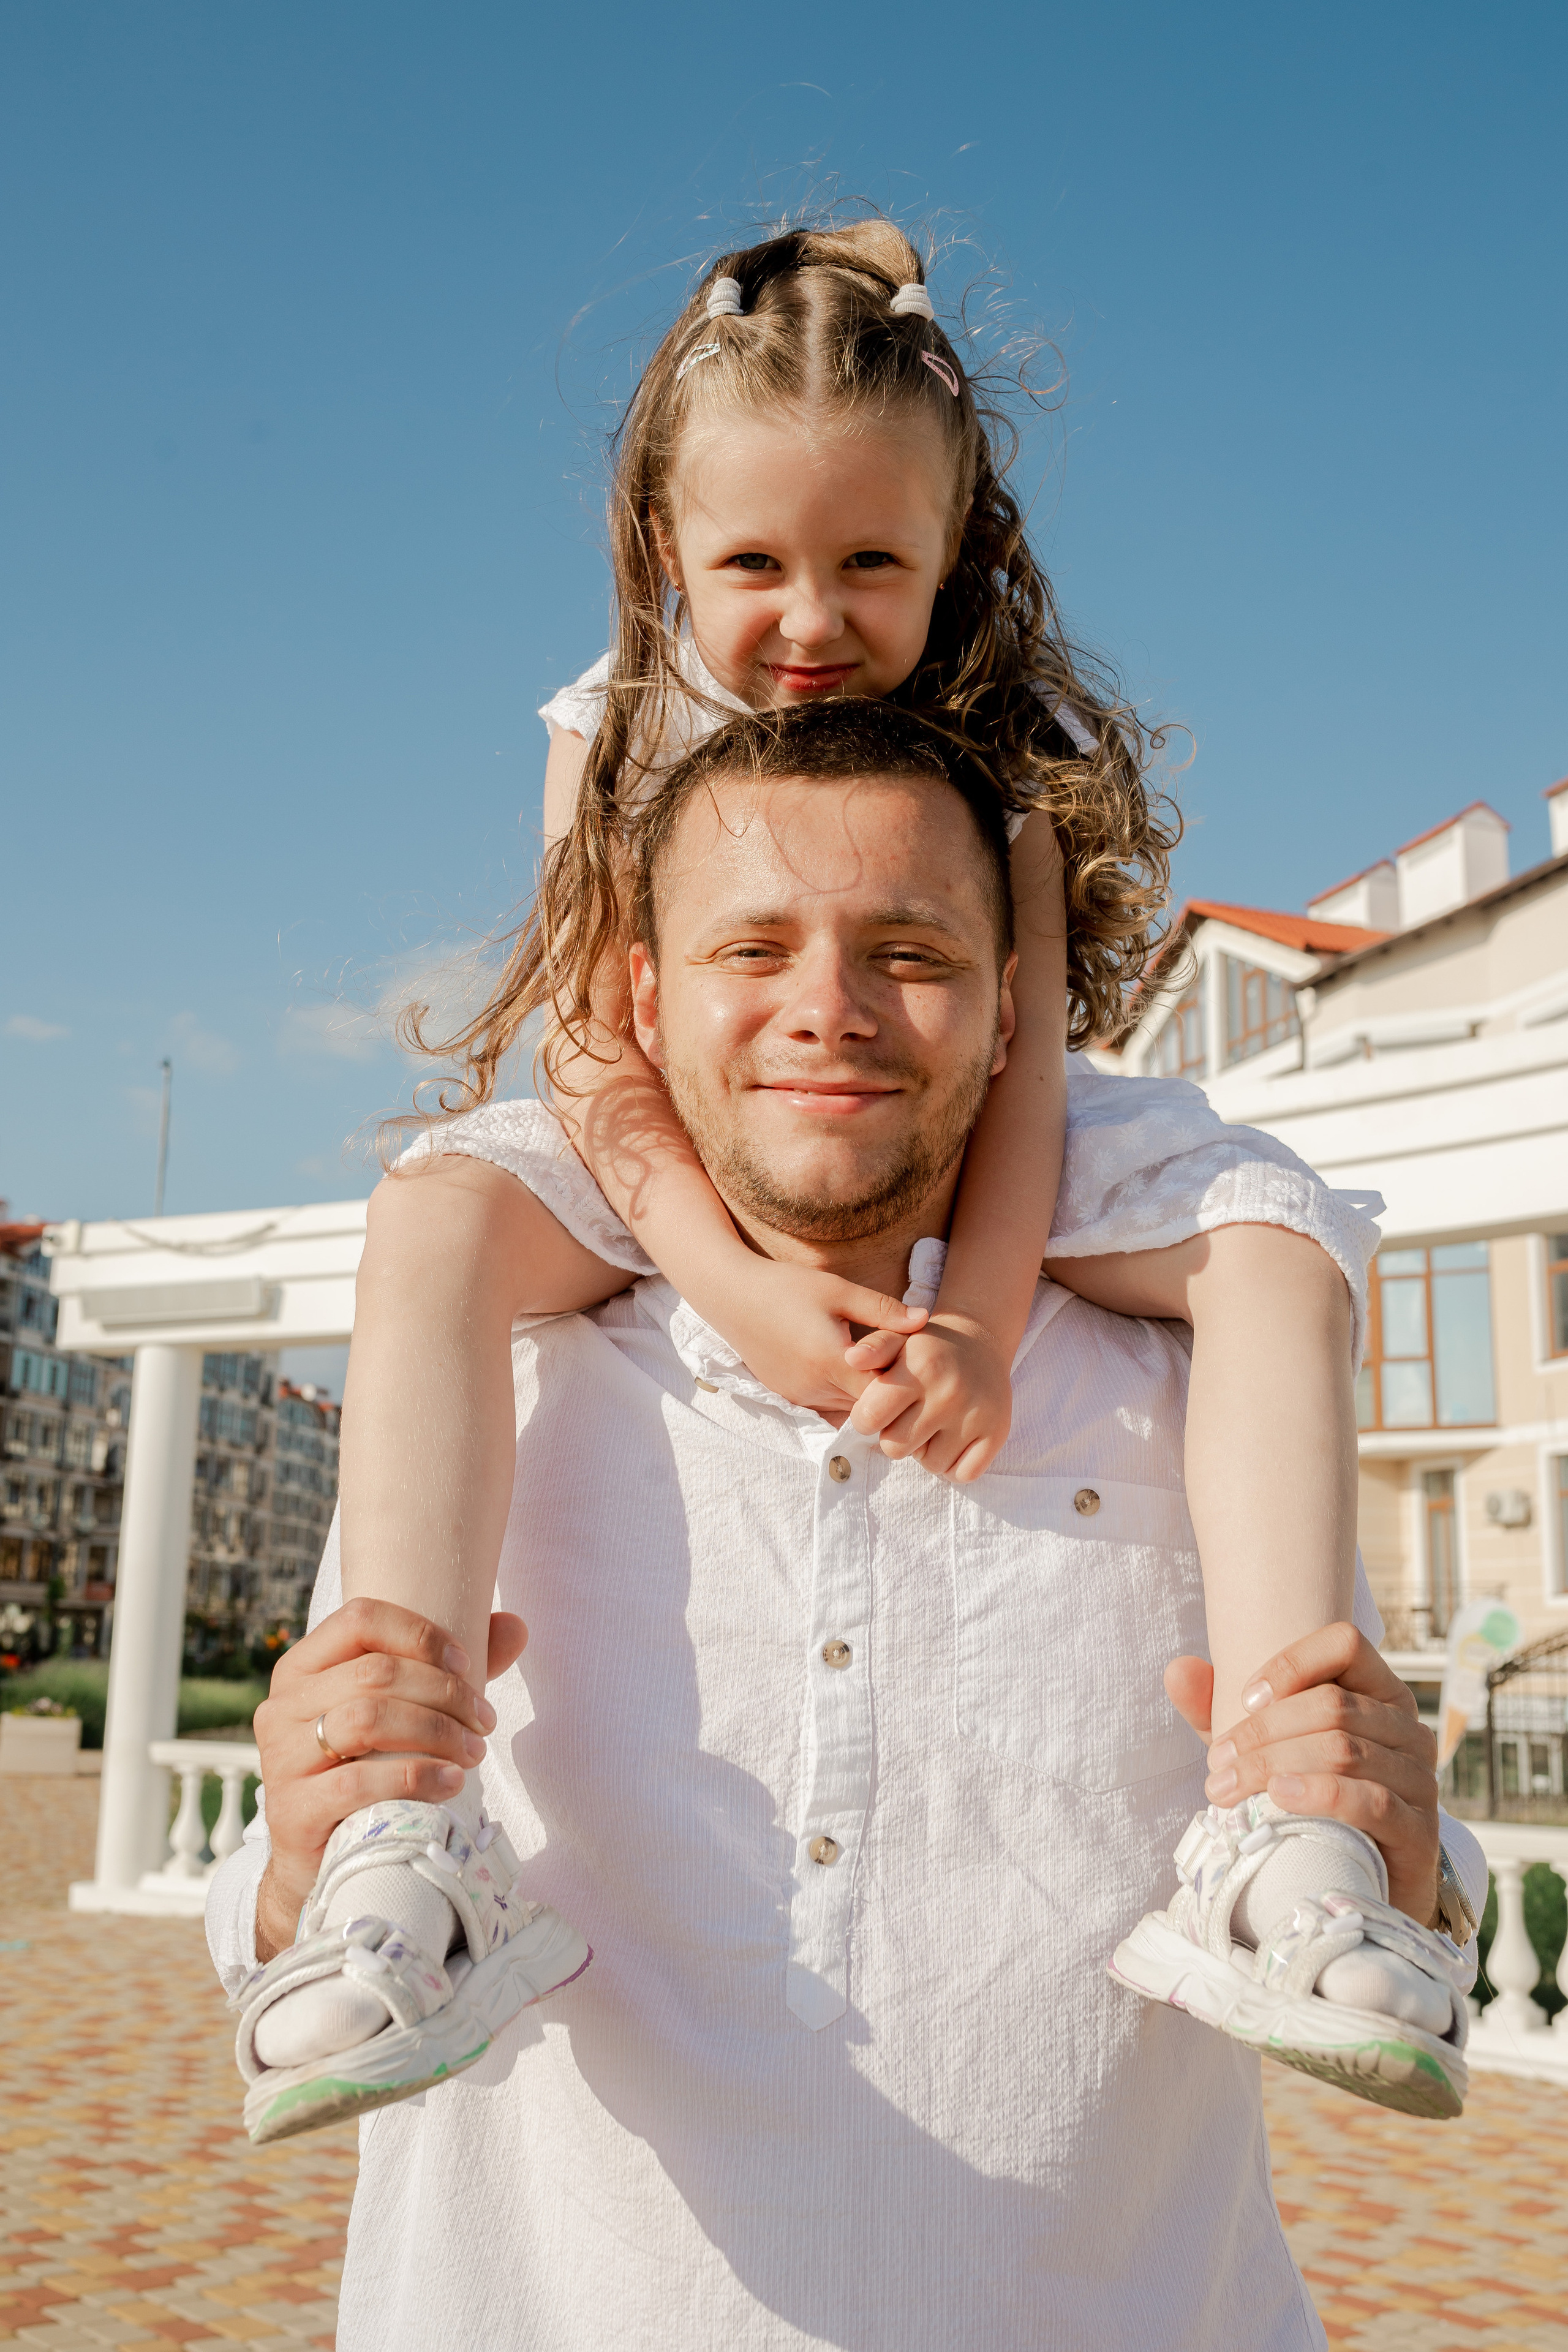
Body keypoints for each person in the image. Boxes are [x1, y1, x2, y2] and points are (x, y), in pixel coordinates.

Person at [236, 218, 1452, 2130]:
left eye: (870, 562)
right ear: (664, 555)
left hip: (990, 1109)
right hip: (653, 1134)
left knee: (1275, 1246)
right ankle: (404, 1827)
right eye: (754, 564)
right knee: (440, 1211)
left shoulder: (1004, 750)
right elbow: (588, 1032)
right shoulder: (613, 724)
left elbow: (1034, 1047)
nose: (809, 617)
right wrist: (722, 1278)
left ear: (951, 553)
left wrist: (974, 1308)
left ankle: (1295, 1826)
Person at [212, 702, 1484, 2348]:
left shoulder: (1195, 1380)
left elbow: (1361, 1837)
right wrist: (301, 1847)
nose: (829, 1009)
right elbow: (287, 1919)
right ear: (646, 1000)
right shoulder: (485, 1380)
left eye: (912, 952)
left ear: (1014, 1013)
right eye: (757, 947)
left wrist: (1400, 1841)